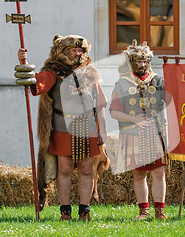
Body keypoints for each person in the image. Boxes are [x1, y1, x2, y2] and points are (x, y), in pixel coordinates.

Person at [17, 34, 108, 221]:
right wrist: (23, 62)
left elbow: (100, 104)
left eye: (80, 50)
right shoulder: (54, 71)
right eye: (73, 50)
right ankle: (65, 212)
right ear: (63, 51)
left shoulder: (90, 72)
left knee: (86, 168)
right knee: (64, 168)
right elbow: (36, 80)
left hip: (88, 126)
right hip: (62, 125)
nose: (77, 53)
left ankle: (84, 211)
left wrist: (103, 130)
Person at [110, 40, 168, 220]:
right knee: (139, 173)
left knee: (159, 172)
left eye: (144, 61)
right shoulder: (122, 84)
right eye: (138, 61)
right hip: (133, 133)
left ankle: (160, 212)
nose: (142, 65)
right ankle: (144, 211)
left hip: (156, 132)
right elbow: (114, 112)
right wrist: (134, 119)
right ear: (131, 62)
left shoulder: (158, 81)